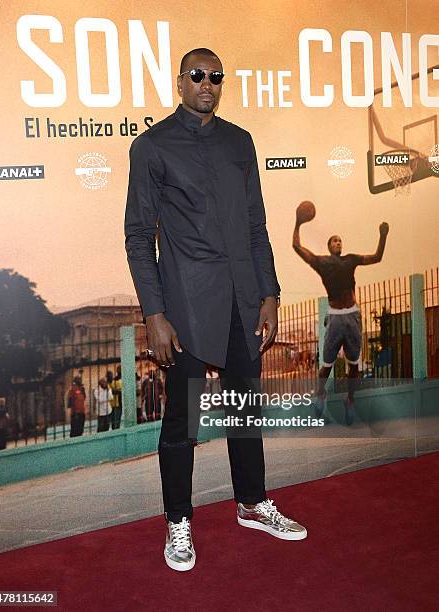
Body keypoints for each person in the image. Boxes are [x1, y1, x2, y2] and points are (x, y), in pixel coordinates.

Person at [125, 47, 307, 572]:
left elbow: (256, 226)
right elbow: (139, 236)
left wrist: (268, 292)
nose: (208, 83)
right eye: (198, 75)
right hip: (184, 304)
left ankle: (253, 503)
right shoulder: (152, 147)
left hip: (242, 301)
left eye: (216, 77)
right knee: (182, 421)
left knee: (247, 410)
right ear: (180, 81)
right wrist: (154, 314)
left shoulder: (239, 142)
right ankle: (177, 521)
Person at [293, 212, 389, 425]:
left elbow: (377, 257)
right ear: (329, 246)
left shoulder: (351, 259)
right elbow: (297, 247)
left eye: (340, 240)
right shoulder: (321, 262)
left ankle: (350, 400)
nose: (338, 242)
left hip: (352, 316)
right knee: (326, 365)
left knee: (354, 365)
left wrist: (383, 235)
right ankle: (320, 395)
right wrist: (298, 222)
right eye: (335, 240)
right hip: (335, 318)